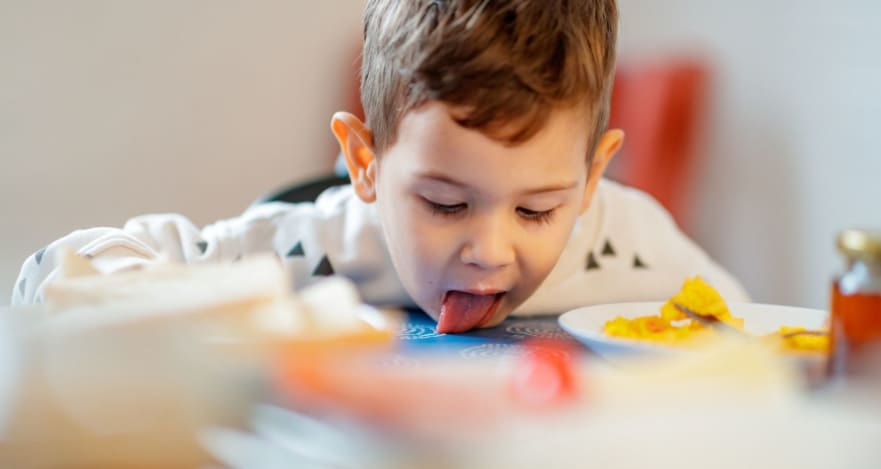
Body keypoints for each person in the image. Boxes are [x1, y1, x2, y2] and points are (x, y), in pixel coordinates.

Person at [11, 0, 747, 333]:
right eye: (445, 203)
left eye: (536, 210)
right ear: (365, 161)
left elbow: (752, 337)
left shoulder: (638, 246)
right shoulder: (314, 249)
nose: (490, 251)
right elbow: (47, 275)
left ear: (593, 177)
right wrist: (172, 302)